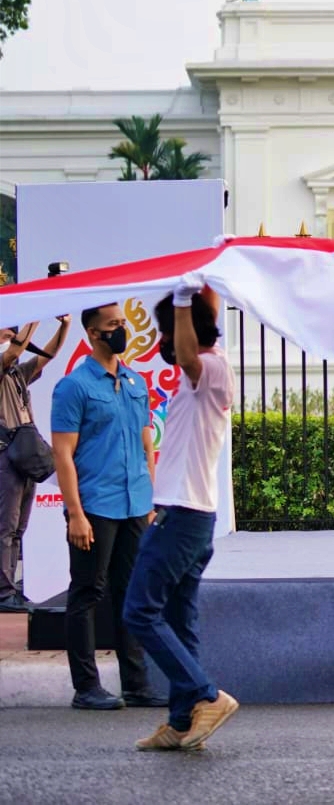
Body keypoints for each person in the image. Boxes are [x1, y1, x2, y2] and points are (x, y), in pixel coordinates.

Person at [123, 277, 240, 751]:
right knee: (177, 618)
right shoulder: (211, 370)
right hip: (190, 515)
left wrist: (185, 300)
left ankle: (205, 696)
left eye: (167, 332)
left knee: (138, 612)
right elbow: (192, 344)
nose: (164, 342)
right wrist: (205, 283)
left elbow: (190, 352)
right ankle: (180, 720)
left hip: (184, 514)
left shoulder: (207, 368)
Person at [50, 302, 163, 711]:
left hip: (134, 503)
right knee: (86, 593)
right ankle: (86, 688)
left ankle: (137, 683)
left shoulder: (135, 381)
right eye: (114, 325)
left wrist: (150, 501)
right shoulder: (74, 386)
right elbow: (63, 454)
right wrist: (75, 513)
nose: (122, 329)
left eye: (123, 323)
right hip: (95, 505)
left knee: (129, 593)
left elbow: (147, 442)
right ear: (94, 334)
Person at [1, 317, 72, 613]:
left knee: (19, 527)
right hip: (5, 454)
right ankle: (3, 593)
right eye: (7, 332)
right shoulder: (5, 364)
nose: (12, 337)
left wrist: (64, 326)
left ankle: (11, 590)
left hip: (26, 454)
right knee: (5, 525)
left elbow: (47, 356)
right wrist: (36, 313)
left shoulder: (17, 373)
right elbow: (13, 352)